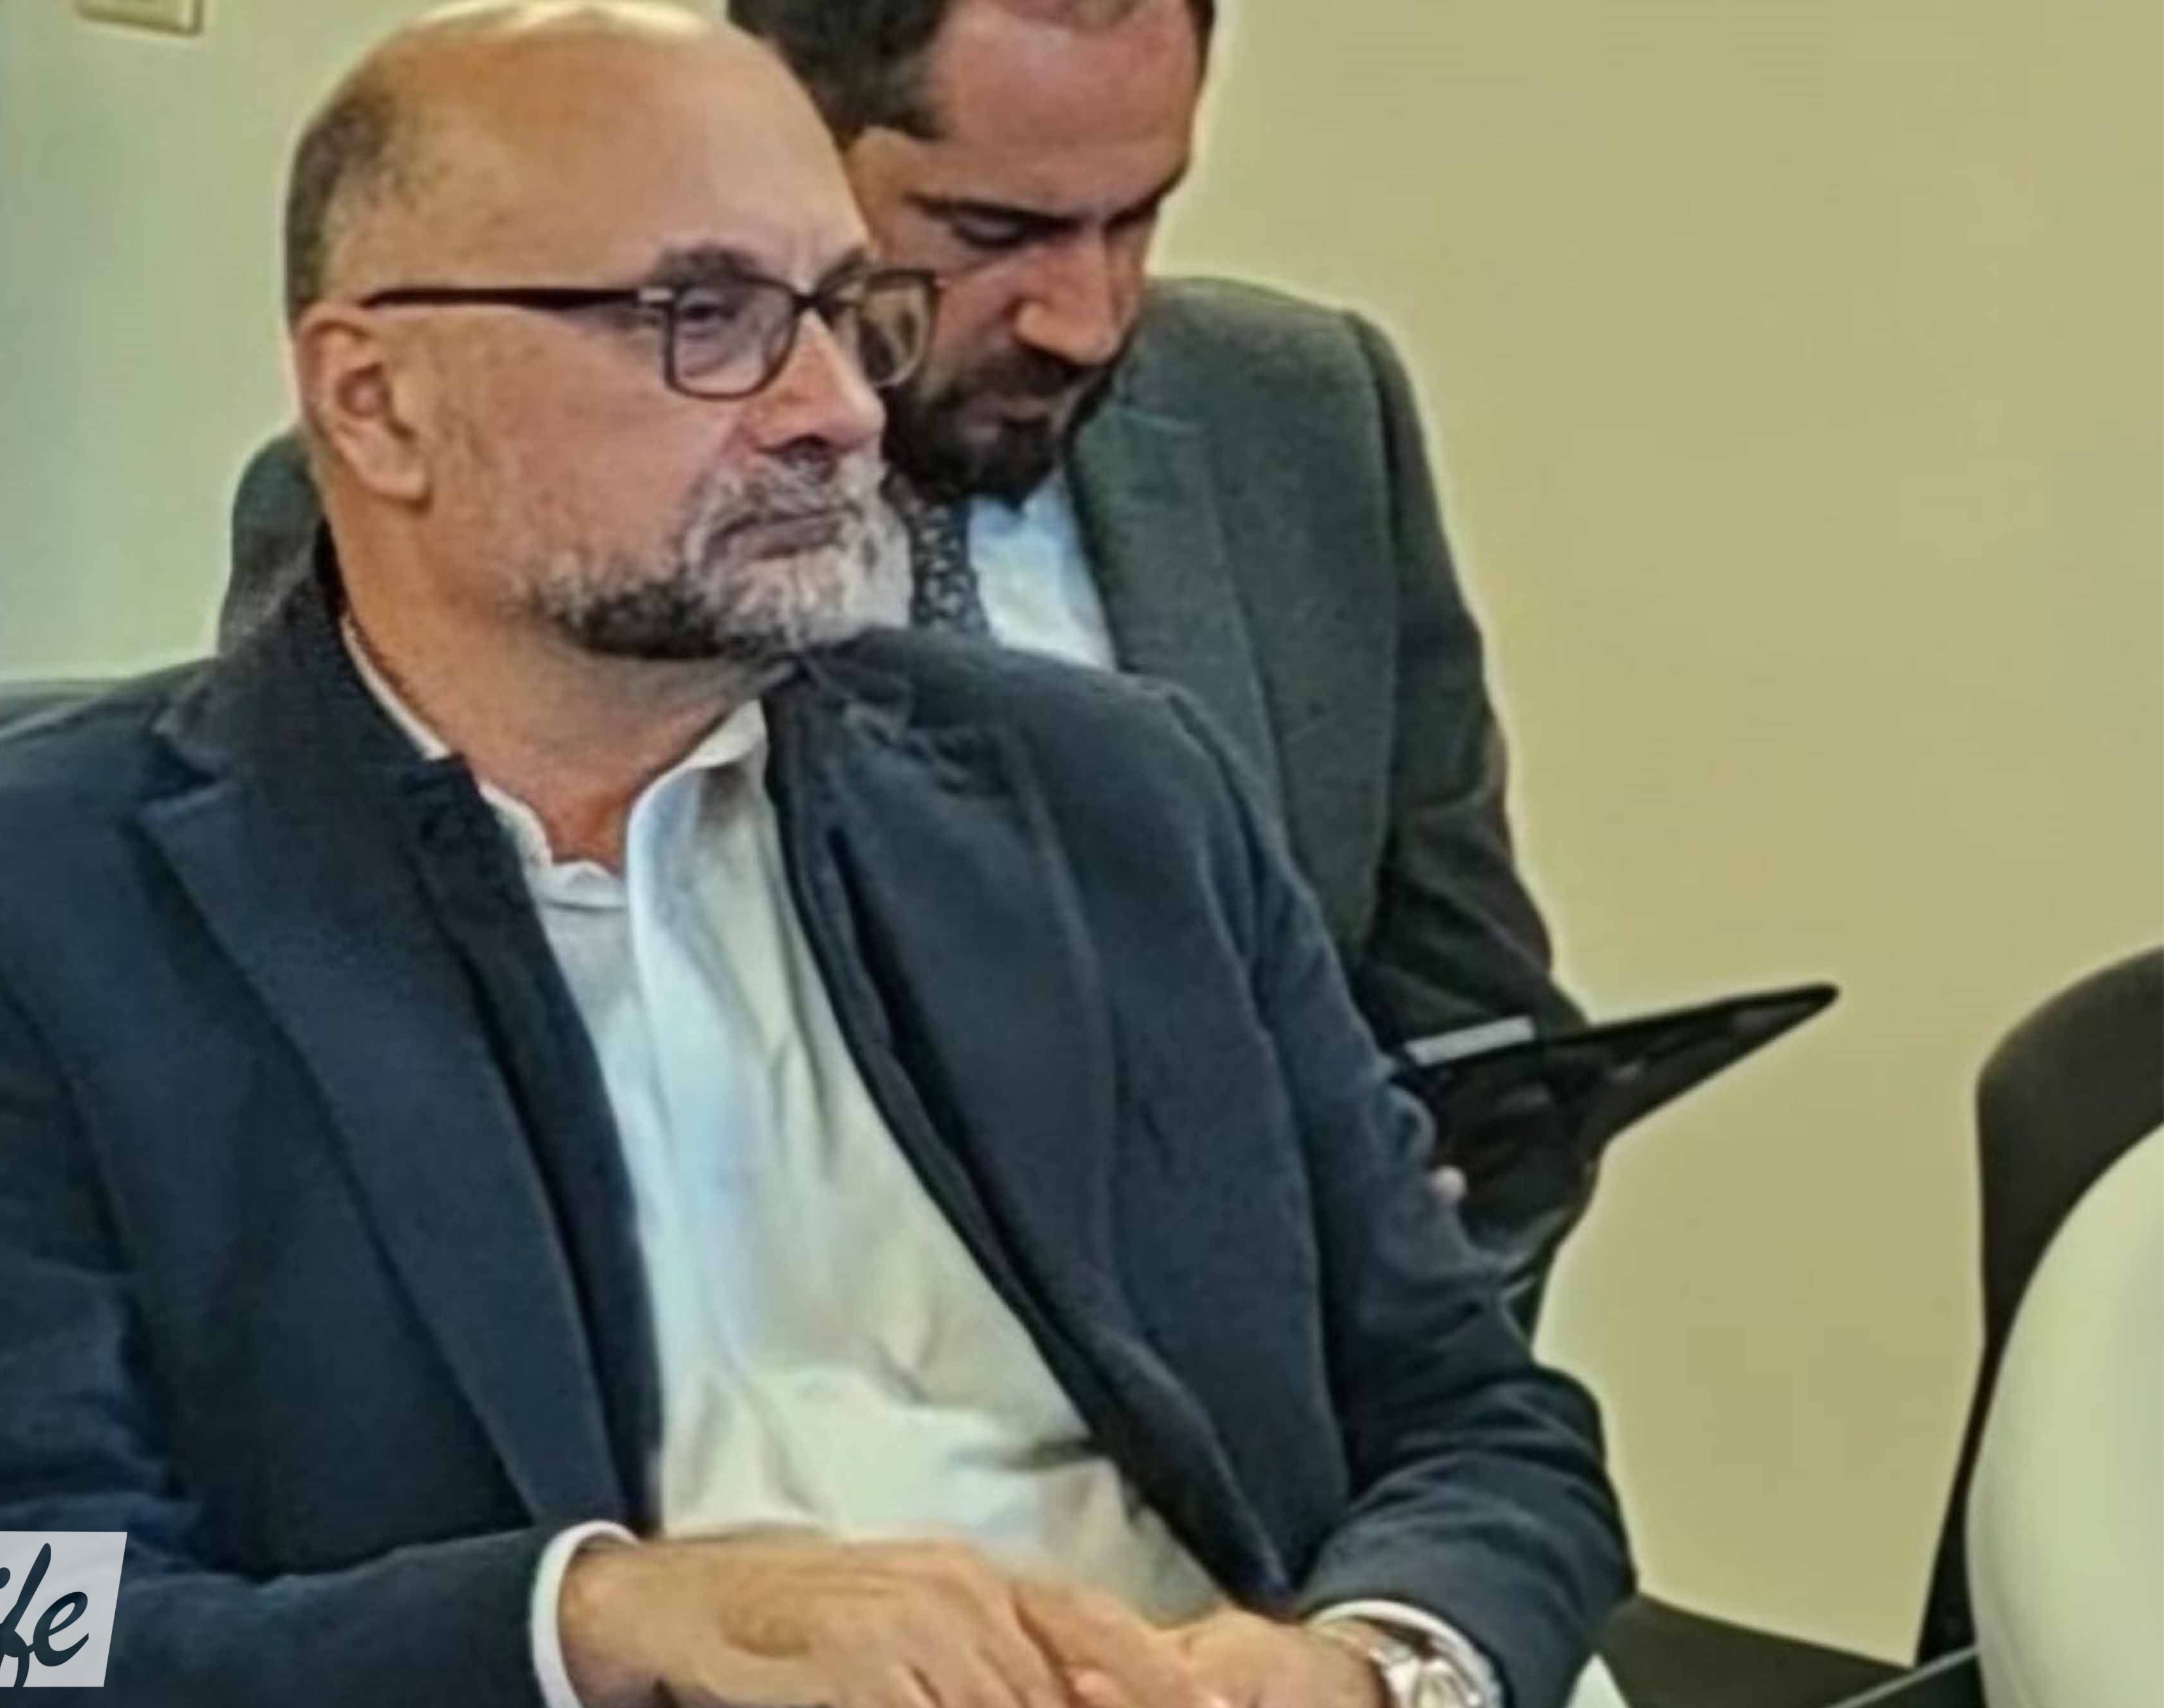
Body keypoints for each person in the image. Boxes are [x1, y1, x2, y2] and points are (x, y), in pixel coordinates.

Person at [0, 6, 1652, 1708]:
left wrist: (1373, 1692)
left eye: (845, 311)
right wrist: (600, 1625)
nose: (834, 410)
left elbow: (1481, 1417)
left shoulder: (1106, 796)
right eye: (704, 320)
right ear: (377, 400)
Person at [218, 0, 1593, 1325]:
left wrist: (1375, 1370)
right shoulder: (491, 495)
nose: (1085, 318)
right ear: (780, 137)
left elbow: (1480, 1048)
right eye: (992, 232)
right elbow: (348, 1138)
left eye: (1136, 218)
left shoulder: (1298, 416)